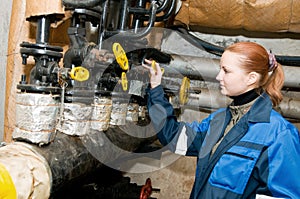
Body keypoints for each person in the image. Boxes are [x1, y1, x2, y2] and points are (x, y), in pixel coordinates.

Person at [142, 41, 300, 199]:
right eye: (220, 69)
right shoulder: (219, 120)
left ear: (251, 78)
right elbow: (174, 138)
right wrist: (156, 88)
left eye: (226, 71)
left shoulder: (279, 134)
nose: (218, 77)